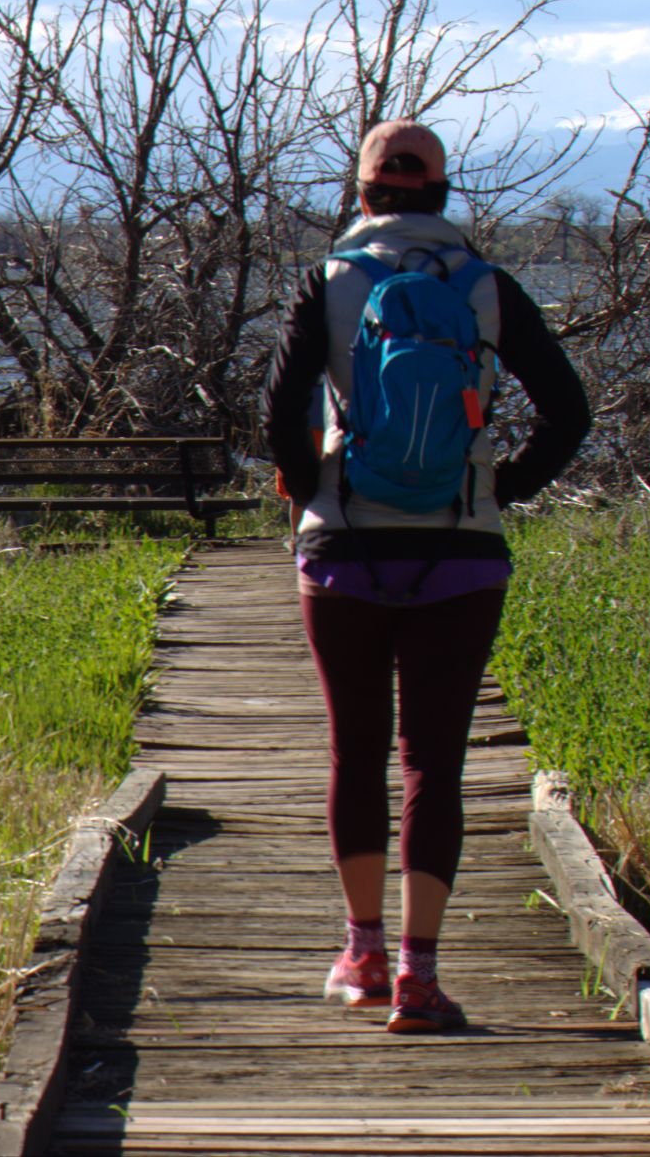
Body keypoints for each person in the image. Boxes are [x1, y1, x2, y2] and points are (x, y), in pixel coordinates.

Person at [261, 120, 590, 1034]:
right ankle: (420, 974)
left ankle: (360, 952)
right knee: (434, 766)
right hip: (462, 552)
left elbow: (281, 414)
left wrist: (309, 491)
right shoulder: (487, 287)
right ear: (443, 193)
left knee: (354, 754)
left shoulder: (328, 282)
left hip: (343, 552)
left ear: (361, 193)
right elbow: (569, 412)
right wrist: (498, 486)